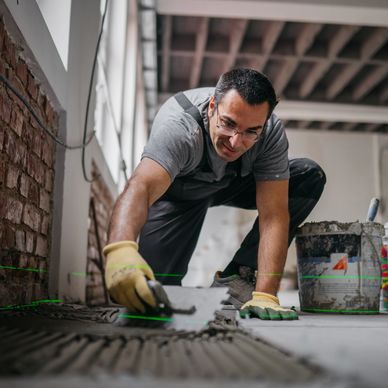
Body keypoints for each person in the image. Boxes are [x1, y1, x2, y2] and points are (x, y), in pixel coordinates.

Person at [103, 68, 326, 320]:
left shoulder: (270, 133)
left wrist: (266, 294)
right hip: (179, 196)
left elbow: (273, 215)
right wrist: (120, 249)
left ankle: (240, 278)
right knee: (146, 292)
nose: (235, 142)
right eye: (228, 124)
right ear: (212, 106)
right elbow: (141, 187)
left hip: (231, 185)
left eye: (251, 131)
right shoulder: (180, 126)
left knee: (307, 176)